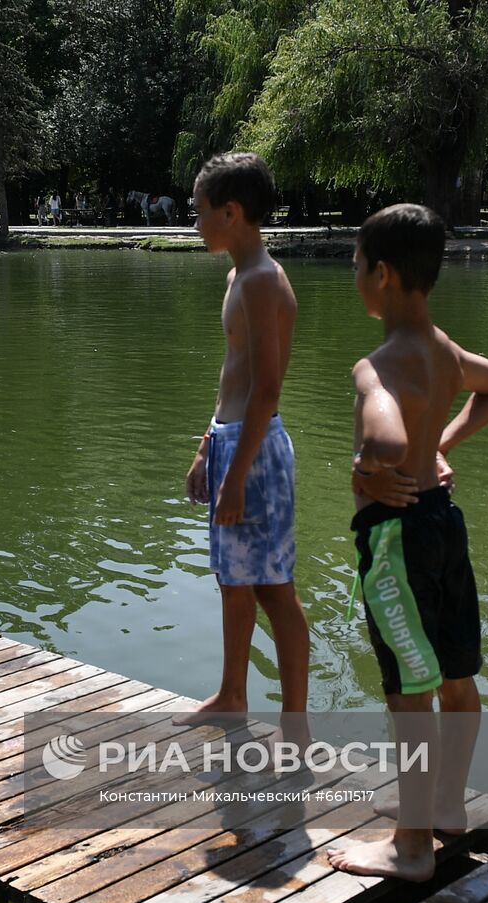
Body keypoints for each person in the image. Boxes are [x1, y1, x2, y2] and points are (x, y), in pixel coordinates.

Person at [327, 204, 488, 880]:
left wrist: (368, 465)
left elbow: (385, 437)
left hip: (396, 544)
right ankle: (445, 805)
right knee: (456, 677)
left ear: (380, 274)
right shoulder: (444, 349)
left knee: (409, 694)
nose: (354, 274)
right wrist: (442, 443)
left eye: (356, 263)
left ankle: (411, 846)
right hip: (444, 522)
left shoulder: (375, 367)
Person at [175, 153, 311, 750]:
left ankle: (296, 725)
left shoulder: (261, 281)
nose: (195, 222)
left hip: (257, 452)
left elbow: (267, 388)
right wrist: (207, 446)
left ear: (230, 213)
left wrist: (236, 477)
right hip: (231, 442)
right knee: (233, 580)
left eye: (200, 211)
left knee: (274, 589)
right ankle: (233, 696)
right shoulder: (238, 276)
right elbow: (232, 374)